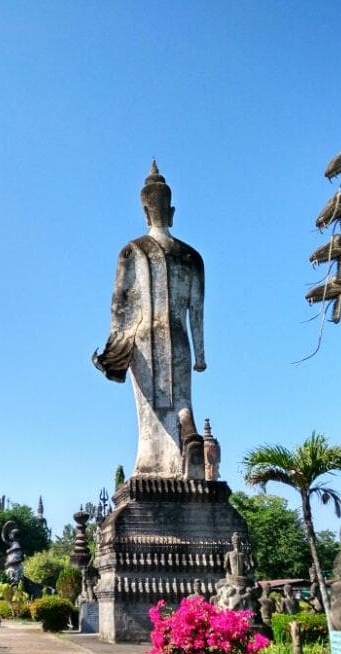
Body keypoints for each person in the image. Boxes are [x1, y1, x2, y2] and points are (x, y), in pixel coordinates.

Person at [93, 162, 206, 477]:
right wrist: (200, 355)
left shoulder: (132, 251)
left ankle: (151, 468)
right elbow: (196, 310)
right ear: (172, 211)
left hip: (142, 340)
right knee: (181, 400)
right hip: (179, 336)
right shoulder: (191, 257)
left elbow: (119, 304)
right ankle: (188, 433)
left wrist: (114, 346)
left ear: (145, 212)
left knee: (150, 416)